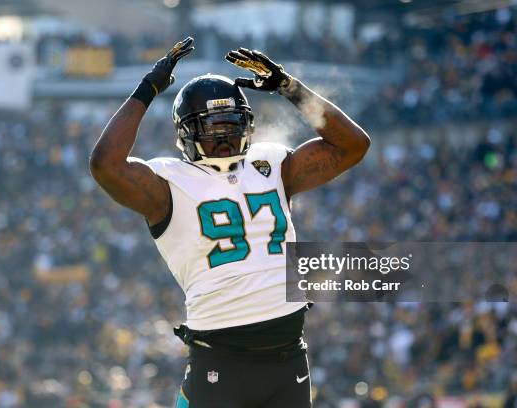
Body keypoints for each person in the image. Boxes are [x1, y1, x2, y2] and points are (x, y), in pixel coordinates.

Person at [89, 37, 370, 408]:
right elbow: (105, 164)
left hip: (288, 359)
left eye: (231, 123)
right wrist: (147, 89)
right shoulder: (167, 185)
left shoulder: (271, 165)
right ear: (186, 133)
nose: (224, 136)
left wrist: (289, 86)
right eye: (211, 126)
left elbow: (354, 145)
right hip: (219, 362)